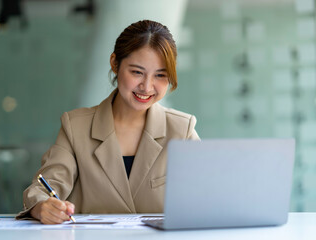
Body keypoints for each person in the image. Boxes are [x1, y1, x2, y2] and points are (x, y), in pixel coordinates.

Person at [16, 19, 200, 224]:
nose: (147, 87)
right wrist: (42, 207)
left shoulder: (182, 130)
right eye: (137, 72)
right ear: (115, 63)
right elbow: (44, 188)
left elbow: (209, 193)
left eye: (160, 75)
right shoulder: (76, 127)